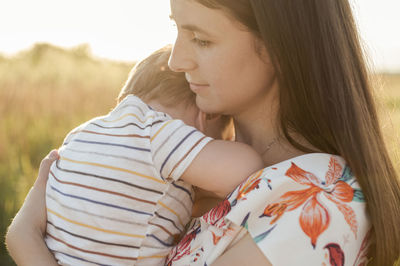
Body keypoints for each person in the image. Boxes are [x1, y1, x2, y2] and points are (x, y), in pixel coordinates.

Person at [6, 0, 400, 265]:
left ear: (279, 48)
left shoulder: (318, 205)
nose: (176, 60)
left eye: (202, 39)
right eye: (177, 30)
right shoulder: (193, 176)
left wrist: (27, 241)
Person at [15, 45, 264, 266]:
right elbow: (247, 168)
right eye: (217, 139)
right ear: (206, 117)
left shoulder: (81, 133)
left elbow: (22, 233)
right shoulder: (157, 132)